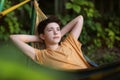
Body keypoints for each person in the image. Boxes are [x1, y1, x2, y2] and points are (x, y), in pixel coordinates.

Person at [10, 15, 91, 70]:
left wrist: (60, 34)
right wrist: (39, 38)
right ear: (42, 35)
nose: (56, 32)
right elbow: (14, 38)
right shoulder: (40, 55)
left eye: (58, 29)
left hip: (91, 74)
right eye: (50, 30)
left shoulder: (70, 43)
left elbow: (80, 19)